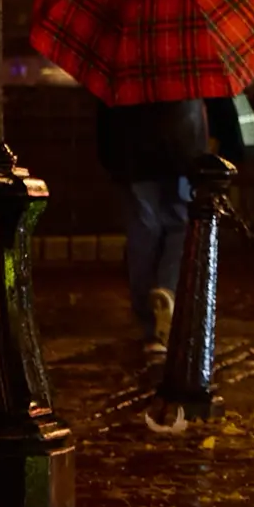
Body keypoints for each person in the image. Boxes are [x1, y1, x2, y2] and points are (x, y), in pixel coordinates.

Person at [92, 91, 212, 354]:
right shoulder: (185, 62)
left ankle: (148, 318)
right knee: (180, 226)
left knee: (143, 229)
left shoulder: (123, 63)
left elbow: (105, 120)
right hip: (182, 150)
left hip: (134, 153)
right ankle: (167, 291)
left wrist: (112, 160)